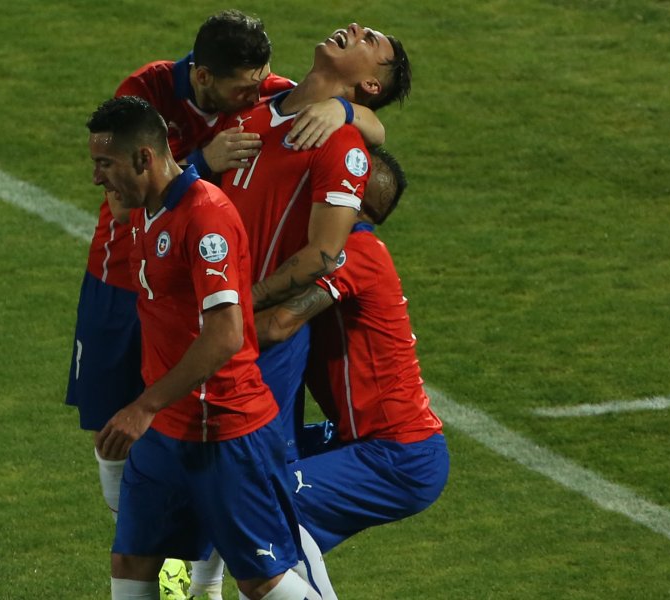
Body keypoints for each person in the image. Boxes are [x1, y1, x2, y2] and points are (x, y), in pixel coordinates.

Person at [65, 11, 389, 598]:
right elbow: (134, 181)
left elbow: (326, 248)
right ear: (205, 77)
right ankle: (190, 576)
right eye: (243, 85)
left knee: (257, 548)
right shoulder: (225, 103)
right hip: (144, 300)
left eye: (372, 42)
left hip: (229, 341)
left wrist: (347, 112)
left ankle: (205, 582)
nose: (255, 89)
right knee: (130, 520)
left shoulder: (313, 129)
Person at [88, 95, 325, 600]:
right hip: (166, 427)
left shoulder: (205, 218)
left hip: (223, 429)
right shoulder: (144, 209)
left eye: (104, 164)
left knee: (261, 579)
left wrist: (142, 406)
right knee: (132, 559)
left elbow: (226, 334)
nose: (96, 178)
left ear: (143, 159)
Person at [211, 22, 412, 462]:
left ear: (370, 83)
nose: (356, 28)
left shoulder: (339, 144)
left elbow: (322, 255)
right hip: (204, 323)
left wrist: (238, 309)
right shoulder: (258, 103)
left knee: (250, 494)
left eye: (370, 41)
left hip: (255, 343)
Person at [255, 148, 449, 575]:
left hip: (397, 454)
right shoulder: (347, 250)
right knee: (240, 470)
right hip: (365, 441)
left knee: (268, 503)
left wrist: (203, 328)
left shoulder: (354, 252)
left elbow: (278, 326)